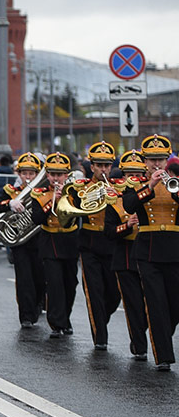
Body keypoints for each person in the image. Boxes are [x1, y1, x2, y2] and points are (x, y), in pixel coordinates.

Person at [123, 134, 179, 371]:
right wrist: (151, 185)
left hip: (175, 248)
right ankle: (163, 355)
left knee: (174, 305)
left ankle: (162, 334)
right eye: (152, 160)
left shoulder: (177, 182)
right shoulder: (135, 184)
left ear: (167, 160)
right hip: (147, 249)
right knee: (156, 303)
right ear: (145, 161)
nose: (157, 164)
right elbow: (128, 205)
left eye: (161, 160)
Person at [30, 153, 80, 339]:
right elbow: (37, 218)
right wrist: (52, 201)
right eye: (52, 174)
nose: (56, 178)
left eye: (60, 175)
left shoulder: (74, 192)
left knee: (70, 283)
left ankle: (66, 318)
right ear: (47, 176)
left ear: (67, 175)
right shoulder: (39, 194)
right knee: (54, 283)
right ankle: (56, 323)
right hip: (49, 240)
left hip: (69, 240)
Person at [107, 150, 150, 362]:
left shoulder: (154, 189)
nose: (133, 177)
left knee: (154, 303)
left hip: (152, 252)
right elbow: (108, 231)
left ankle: (146, 331)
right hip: (125, 255)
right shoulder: (115, 196)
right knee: (132, 304)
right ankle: (139, 345)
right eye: (129, 173)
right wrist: (127, 225)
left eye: (138, 172)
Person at [79, 141, 121, 350]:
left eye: (107, 165)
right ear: (92, 166)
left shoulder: (119, 188)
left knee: (114, 293)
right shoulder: (82, 188)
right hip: (89, 243)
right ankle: (100, 338)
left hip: (112, 243)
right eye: (99, 165)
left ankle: (101, 319)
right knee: (94, 290)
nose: (103, 169)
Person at [0, 153, 47, 328]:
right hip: (20, 242)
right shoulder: (10, 191)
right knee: (24, 277)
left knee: (40, 277)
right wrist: (10, 203)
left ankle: (38, 302)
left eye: (32, 174)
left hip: (39, 239)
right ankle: (26, 315)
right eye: (24, 173)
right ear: (19, 174)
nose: (28, 177)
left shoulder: (42, 191)